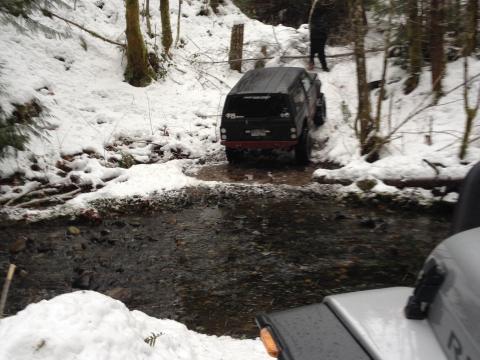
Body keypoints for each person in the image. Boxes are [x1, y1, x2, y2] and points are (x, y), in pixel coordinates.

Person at [308, 0, 333, 72]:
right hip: (319, 35)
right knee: (319, 51)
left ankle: (313, 64)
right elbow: (325, 24)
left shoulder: (316, 13)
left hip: (317, 34)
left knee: (314, 50)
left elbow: (314, 23)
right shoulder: (324, 13)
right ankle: (324, 67)